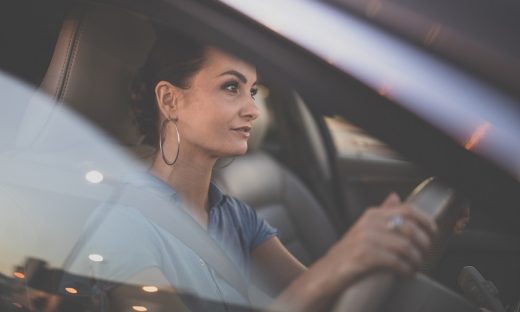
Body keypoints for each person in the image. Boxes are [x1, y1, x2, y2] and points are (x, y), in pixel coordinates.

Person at [66, 28, 444, 312]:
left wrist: (406, 245)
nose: (253, 109)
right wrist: (341, 259)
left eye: (253, 91)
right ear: (169, 99)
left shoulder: (235, 216)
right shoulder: (120, 227)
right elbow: (319, 284)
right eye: (231, 87)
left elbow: (326, 295)